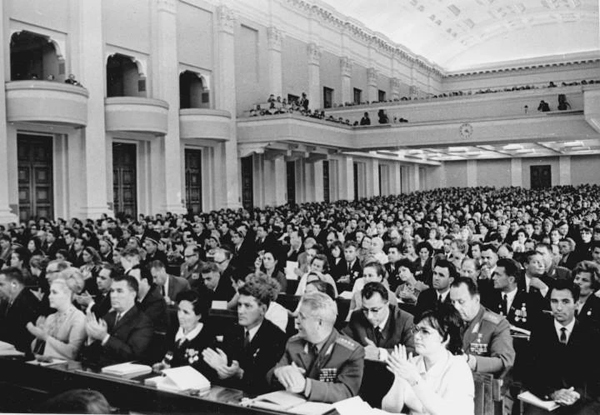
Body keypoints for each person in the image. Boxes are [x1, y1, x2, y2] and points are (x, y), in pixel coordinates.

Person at [267, 292, 365, 403]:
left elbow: (346, 392)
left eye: (302, 317)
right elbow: (270, 378)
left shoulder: (350, 352)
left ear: (319, 323)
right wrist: (279, 372)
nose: (296, 321)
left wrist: (306, 386)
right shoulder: (293, 344)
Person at [382, 304, 474, 415]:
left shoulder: (458, 367)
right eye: (416, 330)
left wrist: (414, 379)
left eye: (425, 332)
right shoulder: (413, 363)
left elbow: (448, 412)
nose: (416, 336)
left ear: (445, 338)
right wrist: (399, 378)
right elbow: (389, 410)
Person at [525, 280, 600, 415]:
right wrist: (552, 393)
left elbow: (595, 377)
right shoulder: (540, 331)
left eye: (565, 302)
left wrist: (577, 394)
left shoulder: (591, 334)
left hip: (581, 399)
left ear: (577, 304)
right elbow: (529, 372)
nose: (558, 308)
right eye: (554, 301)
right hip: (547, 397)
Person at [202, 273, 287, 393]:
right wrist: (222, 370)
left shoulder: (276, 337)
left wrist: (240, 373)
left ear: (263, 309)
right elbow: (226, 370)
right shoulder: (232, 330)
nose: (240, 311)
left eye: (247, 306)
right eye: (239, 305)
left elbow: (265, 381)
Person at [344, 282, 415, 407]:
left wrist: (380, 353)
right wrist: (359, 351)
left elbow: (413, 351)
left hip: (394, 385)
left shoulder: (406, 320)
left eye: (375, 310)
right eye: (365, 310)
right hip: (364, 382)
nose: (369, 316)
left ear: (387, 304)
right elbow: (343, 341)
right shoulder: (357, 316)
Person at [80, 274, 153, 367]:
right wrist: (91, 339)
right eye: (112, 291)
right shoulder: (108, 317)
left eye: (119, 291)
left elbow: (133, 356)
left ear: (133, 295)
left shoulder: (143, 322)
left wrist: (104, 337)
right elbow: (88, 357)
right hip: (99, 370)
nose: (113, 296)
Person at [449, 277, 515, 377]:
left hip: (479, 381)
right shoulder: (448, 320)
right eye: (453, 302)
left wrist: (471, 361)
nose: (456, 307)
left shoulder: (497, 325)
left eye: (461, 302)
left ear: (476, 299)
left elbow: (504, 361)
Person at [153, 290, 217, 378]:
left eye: (186, 312)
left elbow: (204, 373)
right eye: (179, 310)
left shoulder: (207, 338)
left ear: (199, 316)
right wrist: (161, 366)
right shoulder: (172, 331)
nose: (180, 316)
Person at [27, 278, 86, 360]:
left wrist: (45, 337)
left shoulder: (78, 317)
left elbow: (73, 352)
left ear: (67, 294)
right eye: (50, 292)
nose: (49, 296)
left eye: (54, 292)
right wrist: (39, 336)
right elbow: (36, 350)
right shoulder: (51, 317)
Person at [0, 267, 41, 352]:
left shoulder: (28, 303)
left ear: (14, 284)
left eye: (1, 284)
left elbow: (22, 338)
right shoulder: (7, 301)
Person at [572, 261, 600, 329]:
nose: (578, 282)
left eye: (584, 280)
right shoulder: (566, 300)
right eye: (577, 278)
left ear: (593, 286)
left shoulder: (597, 306)